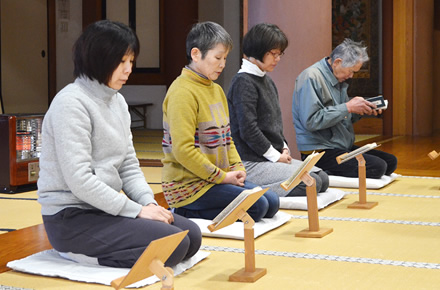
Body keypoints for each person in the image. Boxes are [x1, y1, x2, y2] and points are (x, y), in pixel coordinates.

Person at [37, 20, 201, 268]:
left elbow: (128, 166)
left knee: (191, 236)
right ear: (98, 59)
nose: (128, 70)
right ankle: (80, 254)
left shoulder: (118, 102)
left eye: (131, 61)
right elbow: (80, 180)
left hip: (104, 210)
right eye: (121, 62)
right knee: (174, 245)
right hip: (70, 218)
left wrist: (148, 203)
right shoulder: (70, 103)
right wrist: (135, 212)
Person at [161, 21, 279, 222]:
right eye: (218, 57)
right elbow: (183, 150)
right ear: (196, 54)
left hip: (217, 179)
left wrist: (237, 168)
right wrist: (222, 177)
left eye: (225, 58)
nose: (223, 64)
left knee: (272, 202)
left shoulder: (215, 90)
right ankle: (184, 212)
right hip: (190, 186)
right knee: (258, 207)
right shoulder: (182, 91)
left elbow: (227, 138)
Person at [227, 23, 329, 197]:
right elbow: (248, 130)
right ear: (258, 50)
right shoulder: (243, 82)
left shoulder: (266, 80)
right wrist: (275, 157)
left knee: (322, 178)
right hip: (251, 161)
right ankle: (253, 191)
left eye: (280, 54)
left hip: (271, 157)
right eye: (273, 54)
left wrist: (284, 148)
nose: (278, 59)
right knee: (311, 182)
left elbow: (275, 123)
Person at [292, 38, 397, 179]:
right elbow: (311, 121)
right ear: (337, 62)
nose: (351, 76)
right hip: (320, 151)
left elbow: (343, 117)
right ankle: (322, 171)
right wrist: (348, 107)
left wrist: (361, 110)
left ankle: (334, 170)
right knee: (378, 167)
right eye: (350, 71)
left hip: (339, 146)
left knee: (390, 162)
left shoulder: (338, 78)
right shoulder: (311, 77)